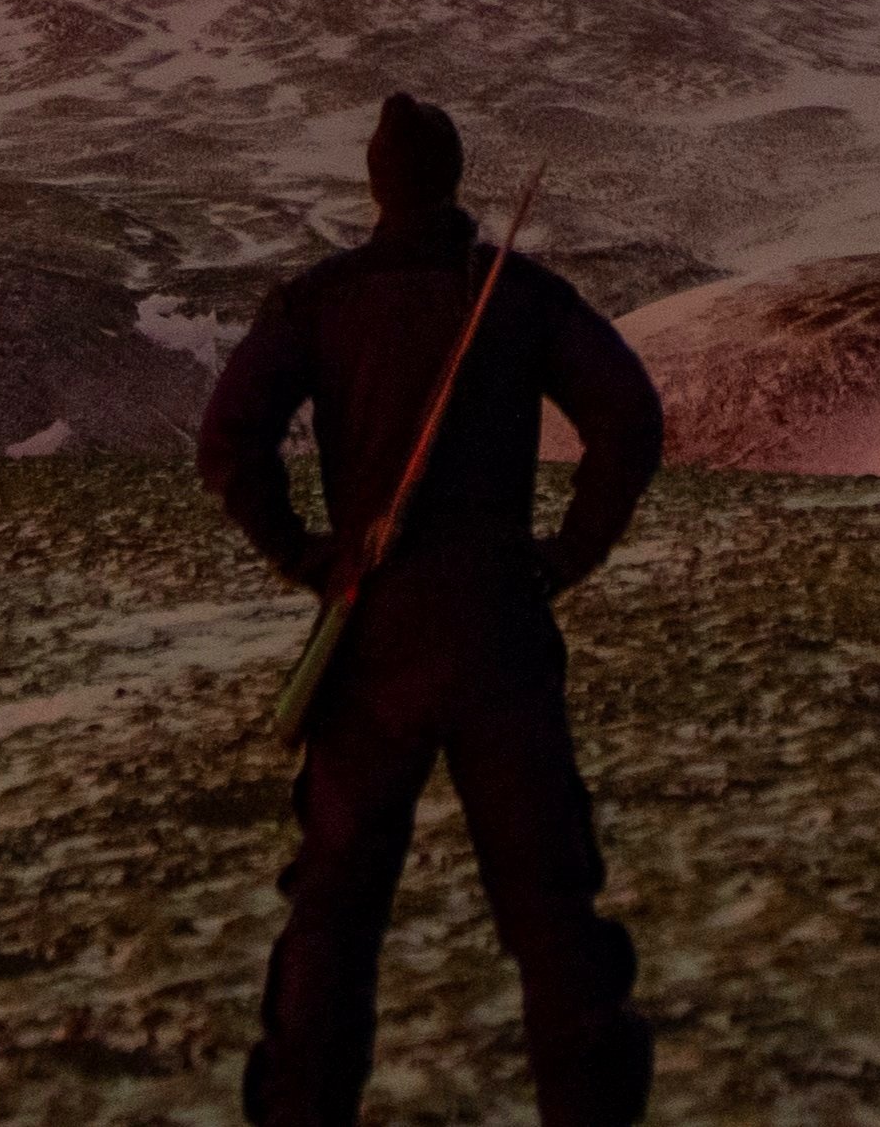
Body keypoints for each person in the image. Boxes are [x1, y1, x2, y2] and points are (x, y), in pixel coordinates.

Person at [197, 92, 665, 1127]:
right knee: (551, 915)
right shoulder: (517, 295)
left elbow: (226, 440)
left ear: (376, 185)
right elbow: (628, 417)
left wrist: (313, 557)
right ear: (451, 176)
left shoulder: (320, 301)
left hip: (370, 638)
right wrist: (566, 554)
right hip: (498, 627)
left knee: (331, 921)